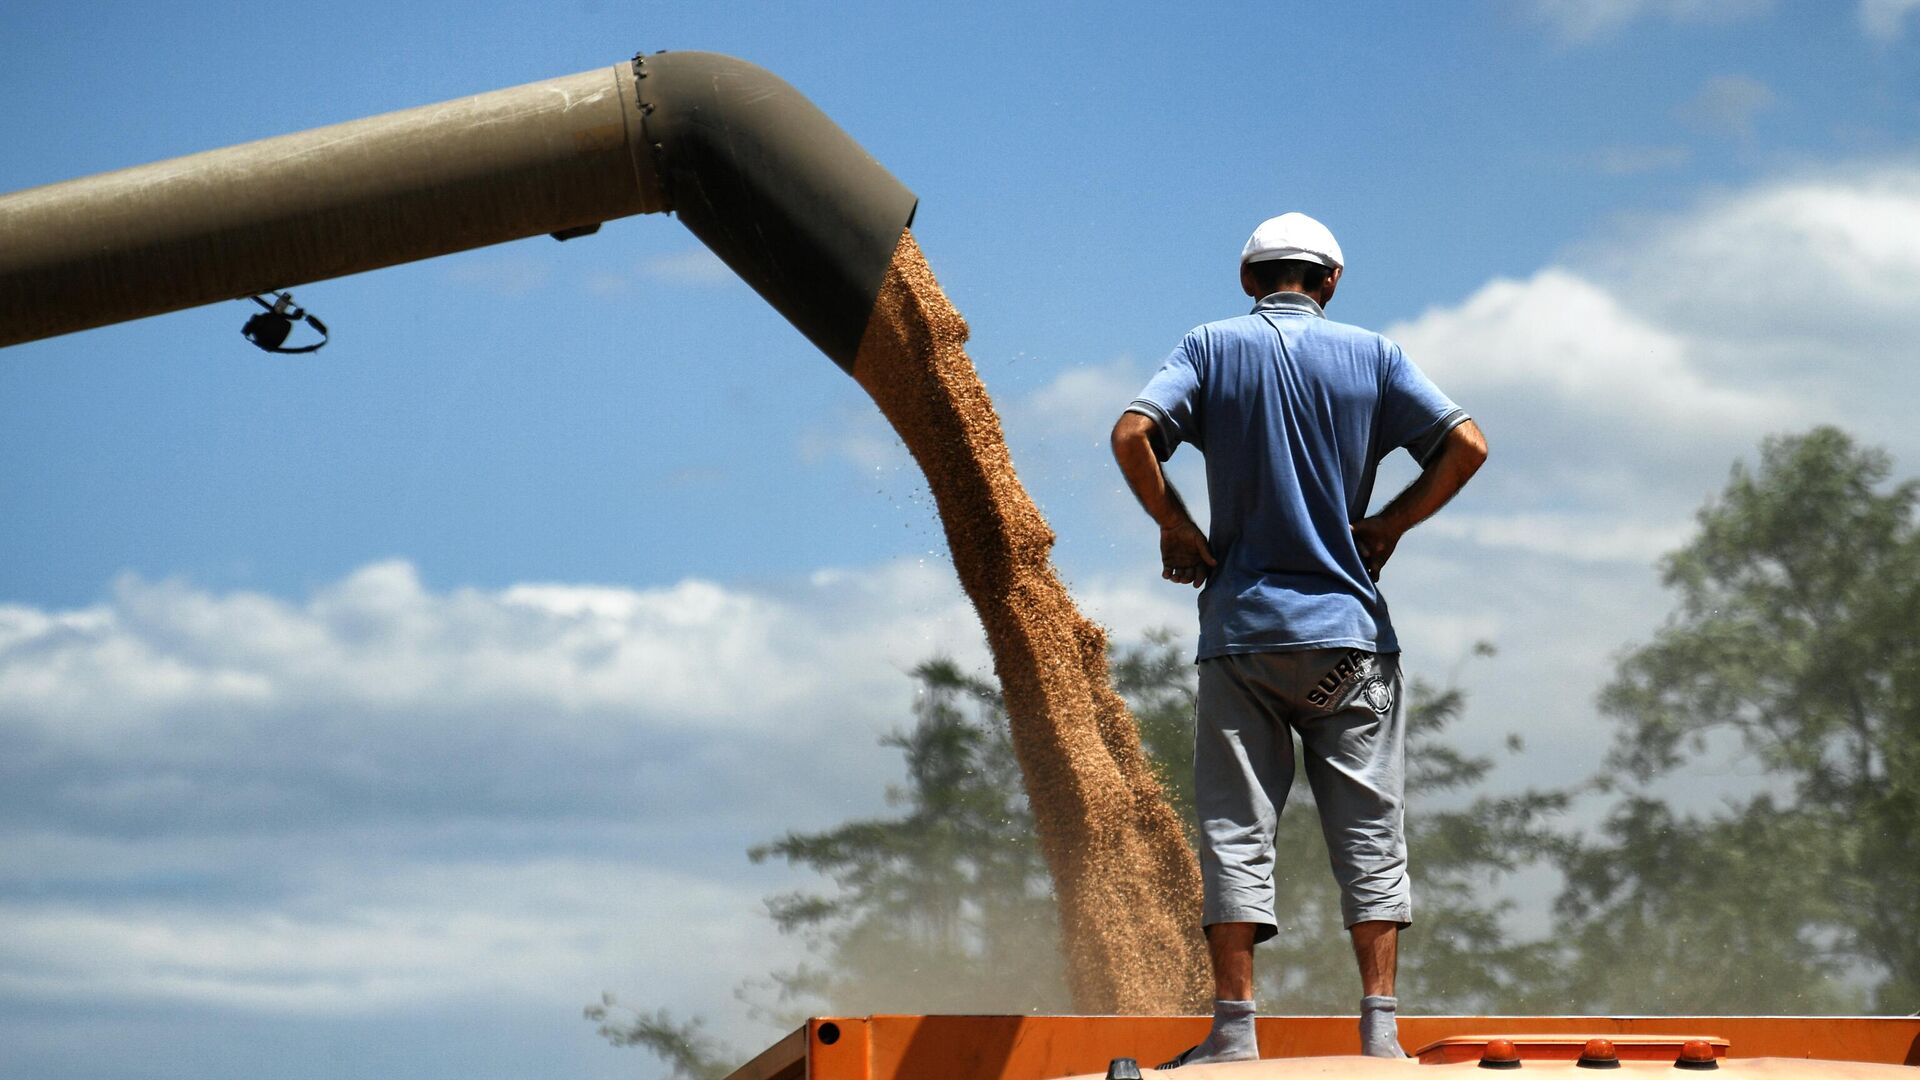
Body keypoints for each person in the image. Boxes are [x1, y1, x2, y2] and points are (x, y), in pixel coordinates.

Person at [1110, 212, 1487, 1066]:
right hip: (1350, 645)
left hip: (1242, 640)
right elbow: (1467, 445)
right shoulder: (1376, 356)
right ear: (1330, 281)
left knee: (1236, 830)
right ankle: (1382, 1034)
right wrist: (1389, 524)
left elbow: (1133, 433)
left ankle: (1235, 1035)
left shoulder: (1210, 348)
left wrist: (1175, 525)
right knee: (1369, 829)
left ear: (1251, 282)